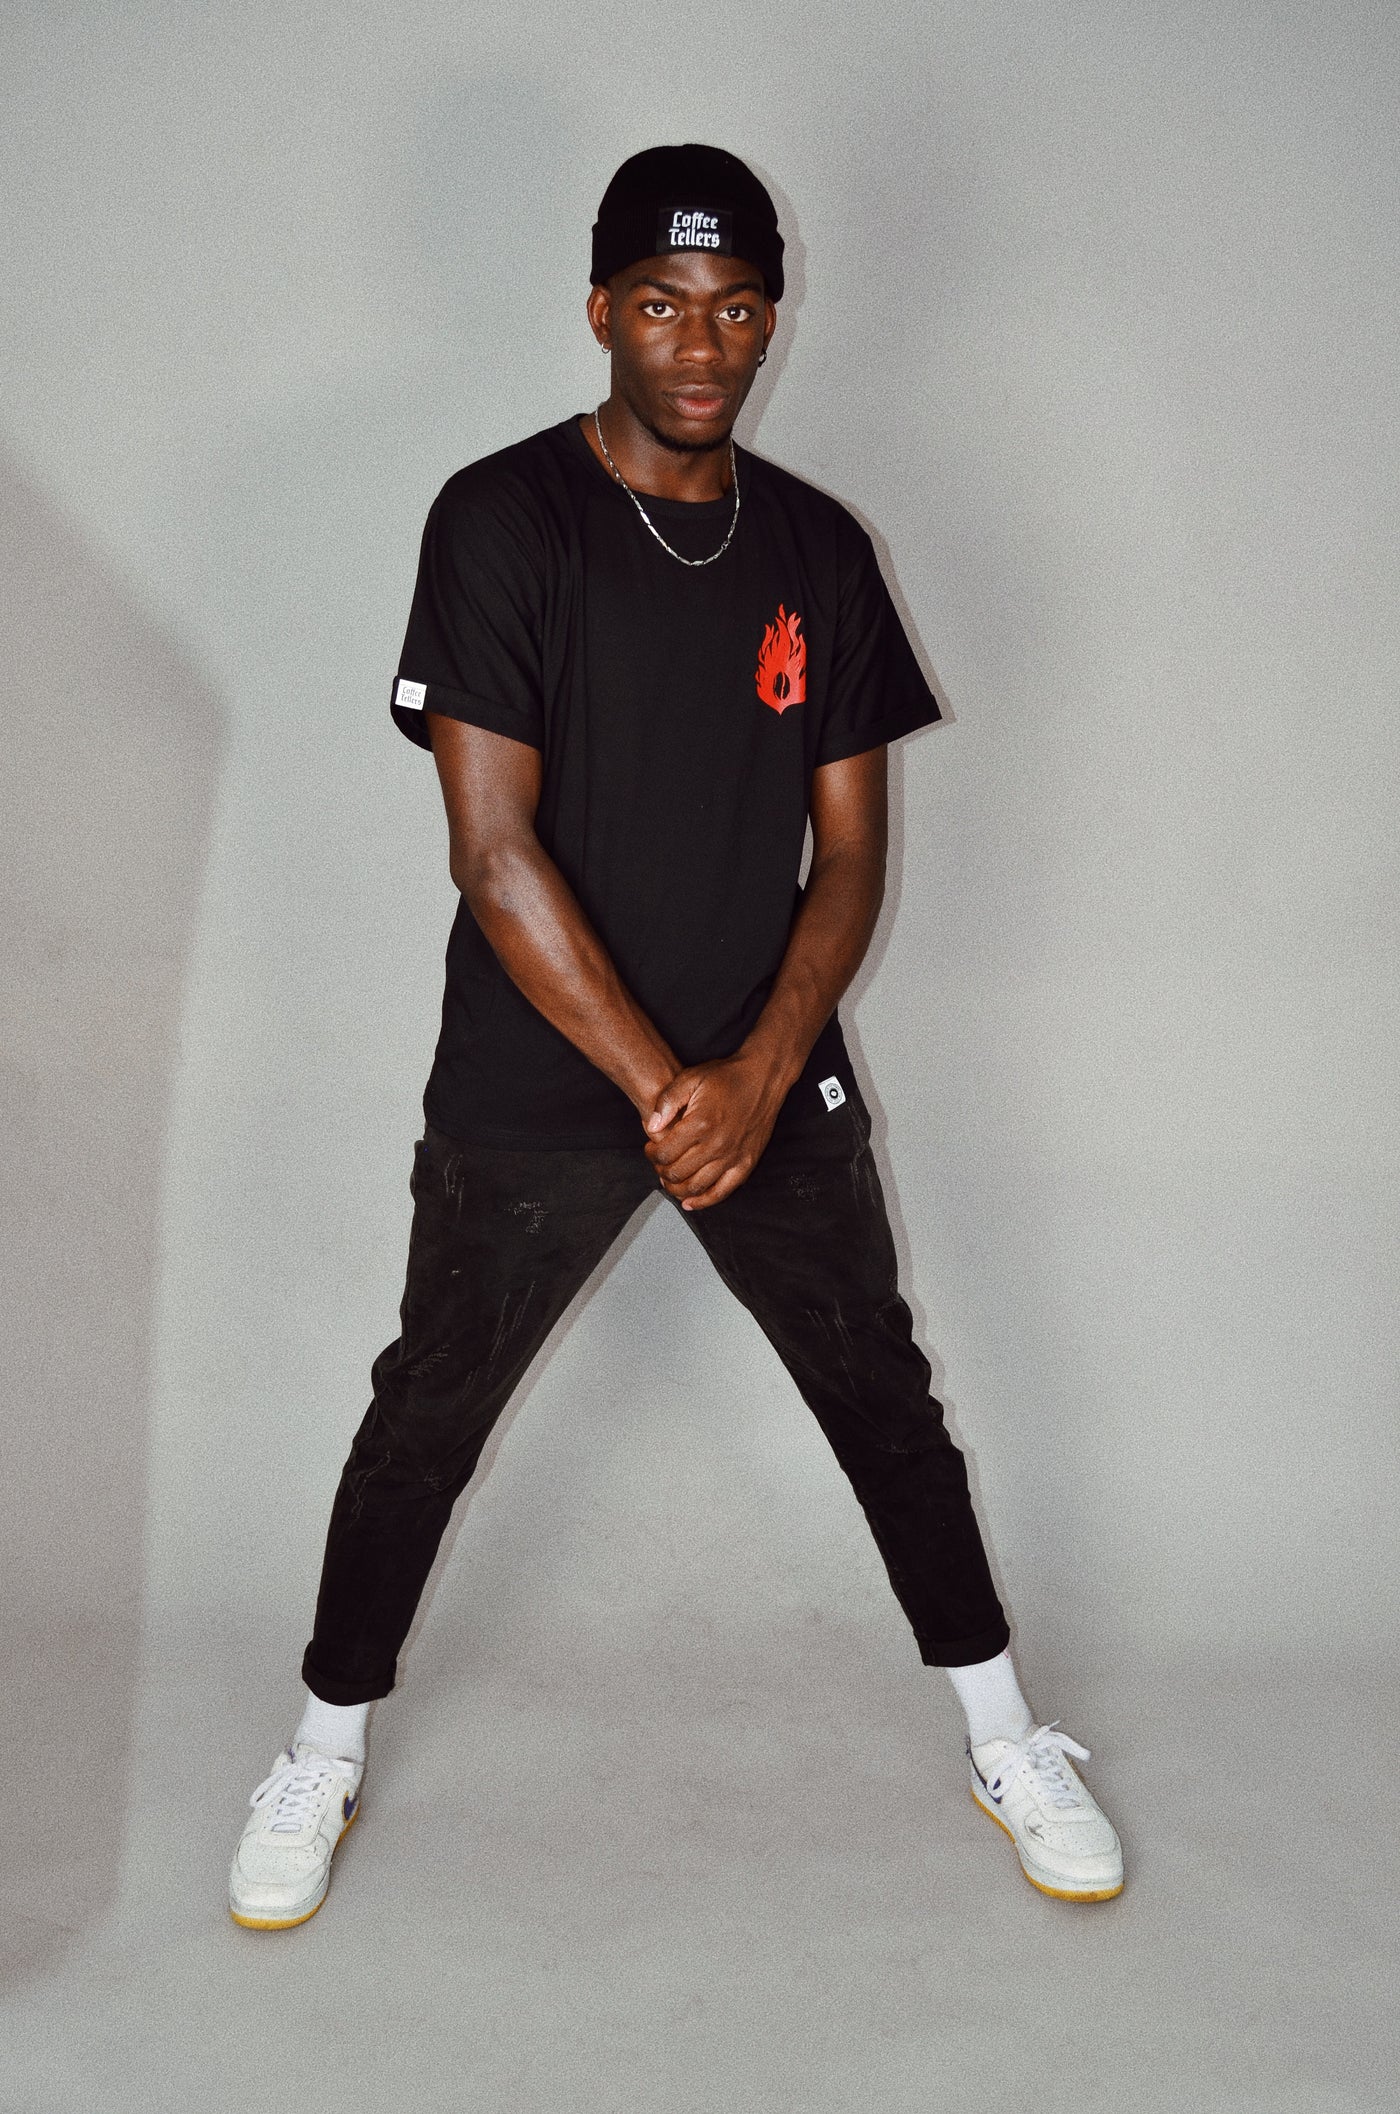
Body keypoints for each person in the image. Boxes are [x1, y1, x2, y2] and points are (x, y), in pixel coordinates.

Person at [228, 143, 1124, 1928]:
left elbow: (851, 856)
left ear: (772, 320)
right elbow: (494, 850)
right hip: (544, 1065)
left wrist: (760, 1070)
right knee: (427, 1410)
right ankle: (321, 1749)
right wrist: (665, 1088)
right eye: (661, 303)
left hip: (761, 1060)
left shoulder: (819, 547)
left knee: (884, 1395)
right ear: (600, 312)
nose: (700, 344)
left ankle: (1004, 1733)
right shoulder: (502, 519)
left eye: (733, 308)